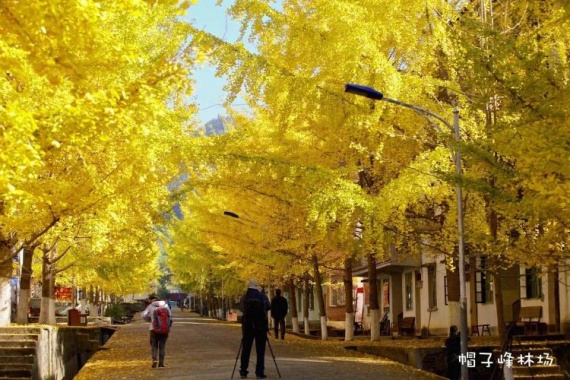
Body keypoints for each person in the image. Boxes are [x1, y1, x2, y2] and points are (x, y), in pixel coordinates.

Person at [239, 279, 270, 379]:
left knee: (246, 348)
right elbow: (268, 306)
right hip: (260, 325)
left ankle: (243, 371)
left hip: (248, 325)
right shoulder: (262, 296)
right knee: (260, 349)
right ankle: (259, 373)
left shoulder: (245, 296)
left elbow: (241, 308)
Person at [142, 295, 172, 368]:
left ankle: (154, 360)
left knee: (154, 346)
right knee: (162, 347)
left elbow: (143, 315)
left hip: (153, 329)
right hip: (164, 329)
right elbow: (170, 316)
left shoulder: (150, 306)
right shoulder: (165, 305)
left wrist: (150, 320)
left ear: (151, 300)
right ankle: (161, 363)